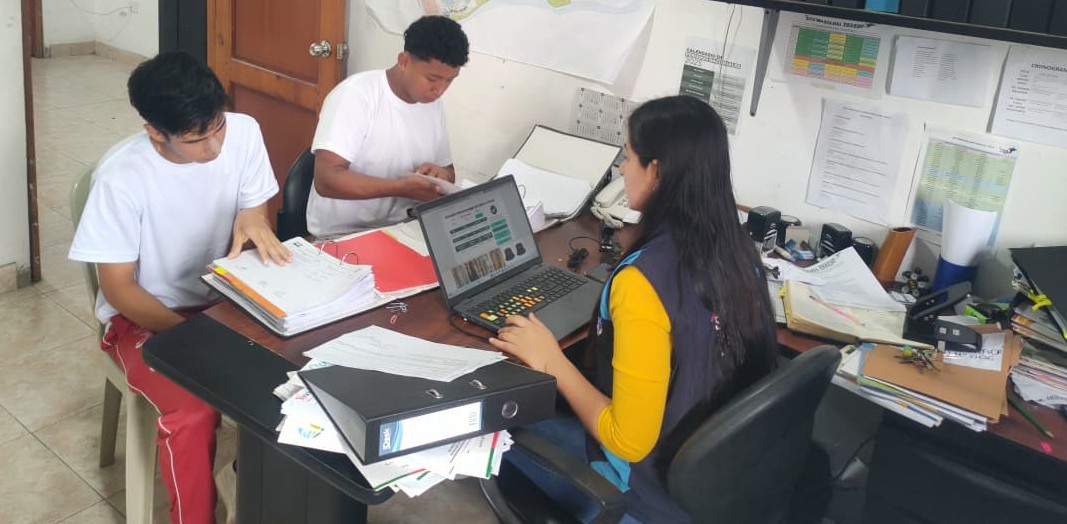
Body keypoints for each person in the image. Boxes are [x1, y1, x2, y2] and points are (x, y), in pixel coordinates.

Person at [490, 95, 780, 523]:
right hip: (711, 482)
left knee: (499, 424)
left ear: (656, 171)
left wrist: (550, 359)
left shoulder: (641, 283)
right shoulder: (737, 248)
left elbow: (627, 440)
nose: (623, 170)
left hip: (642, 495)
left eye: (628, 157)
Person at [69, 51, 290, 524]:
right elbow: (120, 289)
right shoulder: (121, 179)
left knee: (296, 372)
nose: (214, 147)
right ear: (155, 132)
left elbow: (254, 207)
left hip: (226, 300)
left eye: (218, 127)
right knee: (193, 411)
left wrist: (253, 216)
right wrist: (193, 336)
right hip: (146, 315)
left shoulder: (244, 131)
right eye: (196, 139)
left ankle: (242, 479)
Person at [306, 15, 470, 237]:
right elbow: (326, 180)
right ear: (404, 61)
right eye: (432, 79)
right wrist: (401, 188)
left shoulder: (431, 104)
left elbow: (449, 172)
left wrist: (440, 175)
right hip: (344, 234)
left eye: (449, 80)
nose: (440, 90)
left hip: (405, 227)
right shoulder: (356, 96)